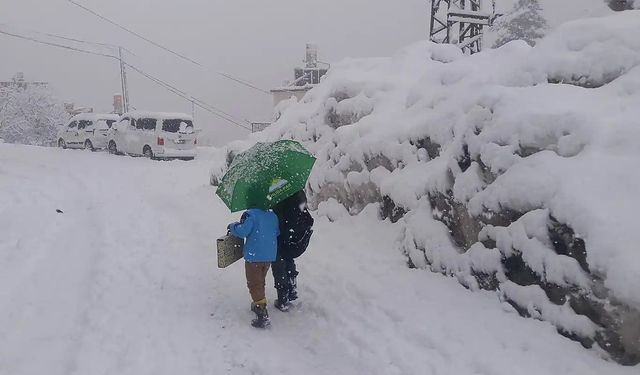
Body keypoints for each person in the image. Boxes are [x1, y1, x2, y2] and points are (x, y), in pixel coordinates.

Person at [228, 208, 279, 328]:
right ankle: (259, 302)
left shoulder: (252, 215)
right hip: (269, 255)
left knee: (254, 283)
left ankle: (262, 313)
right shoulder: (273, 215)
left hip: (255, 255)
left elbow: (243, 231)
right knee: (260, 280)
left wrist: (232, 226)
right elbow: (276, 232)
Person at [271, 190, 314, 311]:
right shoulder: (295, 188)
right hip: (295, 233)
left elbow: (277, 216)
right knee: (288, 257)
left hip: (282, 233)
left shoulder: (275, 192)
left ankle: (283, 297)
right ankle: (292, 288)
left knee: (278, 263)